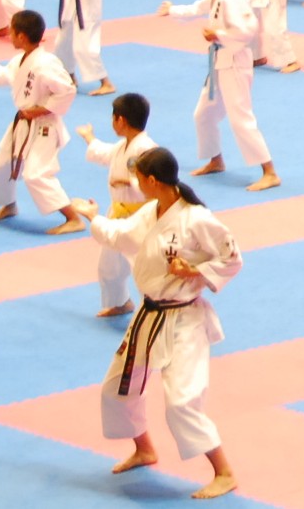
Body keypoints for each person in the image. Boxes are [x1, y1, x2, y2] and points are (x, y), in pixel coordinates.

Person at [82, 146, 242, 499]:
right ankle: (144, 449)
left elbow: (232, 257)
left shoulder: (196, 218)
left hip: (184, 319)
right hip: (148, 316)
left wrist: (196, 270)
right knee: (116, 389)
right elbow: (121, 234)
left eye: (138, 178)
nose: (136, 183)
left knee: (183, 401)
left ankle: (224, 472)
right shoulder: (151, 213)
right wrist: (93, 218)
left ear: (152, 181)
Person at [159, 0, 280, 193]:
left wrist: (219, 34)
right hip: (219, 60)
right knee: (204, 114)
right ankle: (216, 159)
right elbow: (200, 8)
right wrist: (173, 10)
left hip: (234, 61)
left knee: (241, 118)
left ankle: (269, 171)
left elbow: (248, 30)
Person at [0, 10, 87, 235]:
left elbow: (67, 91)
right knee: (0, 167)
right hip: (24, 123)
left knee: (35, 174)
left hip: (44, 125)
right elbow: (1, 77)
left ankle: (73, 218)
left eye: (12, 31)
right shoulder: (22, 59)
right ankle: (9, 204)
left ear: (22, 36)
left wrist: (40, 109)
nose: (10, 36)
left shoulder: (45, 63)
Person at [76, 93, 159, 318]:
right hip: (119, 212)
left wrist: (128, 181)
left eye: (114, 118)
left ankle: (156, 310)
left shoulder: (145, 148)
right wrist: (89, 137)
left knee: (144, 268)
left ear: (120, 120)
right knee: (109, 266)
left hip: (140, 217)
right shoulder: (125, 145)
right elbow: (105, 154)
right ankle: (121, 302)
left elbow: (155, 182)